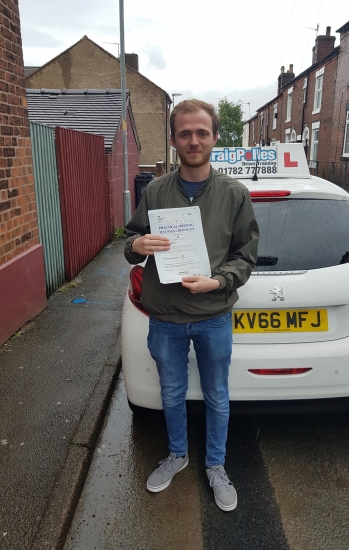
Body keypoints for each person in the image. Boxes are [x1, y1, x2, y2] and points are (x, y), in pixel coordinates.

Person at [124, 99, 259, 512]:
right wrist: (136, 244)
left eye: (202, 132)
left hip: (213, 315)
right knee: (171, 392)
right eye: (185, 133)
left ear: (215, 137)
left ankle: (215, 465)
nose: (194, 140)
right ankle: (178, 455)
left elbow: (245, 255)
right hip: (165, 317)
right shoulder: (157, 191)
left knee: (218, 394)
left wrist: (218, 280)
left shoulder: (235, 195)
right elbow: (129, 244)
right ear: (173, 139)